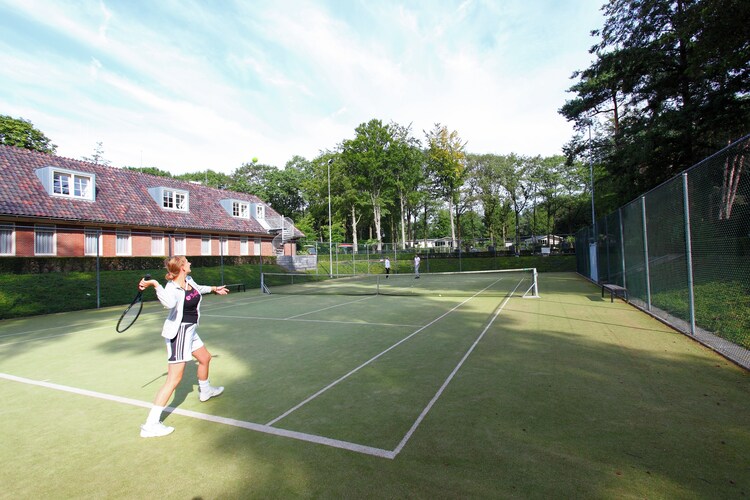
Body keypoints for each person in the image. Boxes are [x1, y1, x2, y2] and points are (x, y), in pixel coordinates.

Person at [137, 255, 229, 438]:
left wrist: (213, 289)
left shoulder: (188, 280)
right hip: (179, 334)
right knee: (173, 380)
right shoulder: (171, 288)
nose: (190, 263)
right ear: (181, 267)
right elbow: (169, 303)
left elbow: (198, 290)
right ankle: (150, 424)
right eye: (187, 262)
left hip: (191, 331)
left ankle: (205, 390)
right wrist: (156, 284)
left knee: (205, 358)